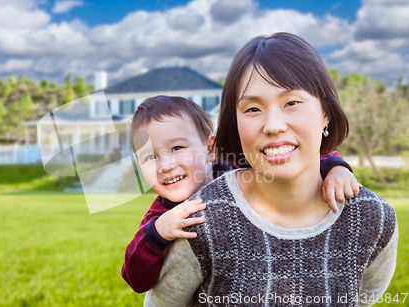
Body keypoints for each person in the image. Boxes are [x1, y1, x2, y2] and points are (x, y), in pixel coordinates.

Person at [144, 33, 398, 307]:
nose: (273, 125)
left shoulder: (372, 219)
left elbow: (363, 300)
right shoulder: (200, 220)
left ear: (326, 112)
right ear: (236, 123)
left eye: (291, 103)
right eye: (253, 108)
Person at [122, 95, 360, 293]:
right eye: (150, 157)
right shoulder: (161, 215)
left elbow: (297, 161)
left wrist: (335, 168)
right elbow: (136, 279)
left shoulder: (239, 173)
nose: (165, 165)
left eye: (176, 148)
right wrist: (156, 234)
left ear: (209, 148)